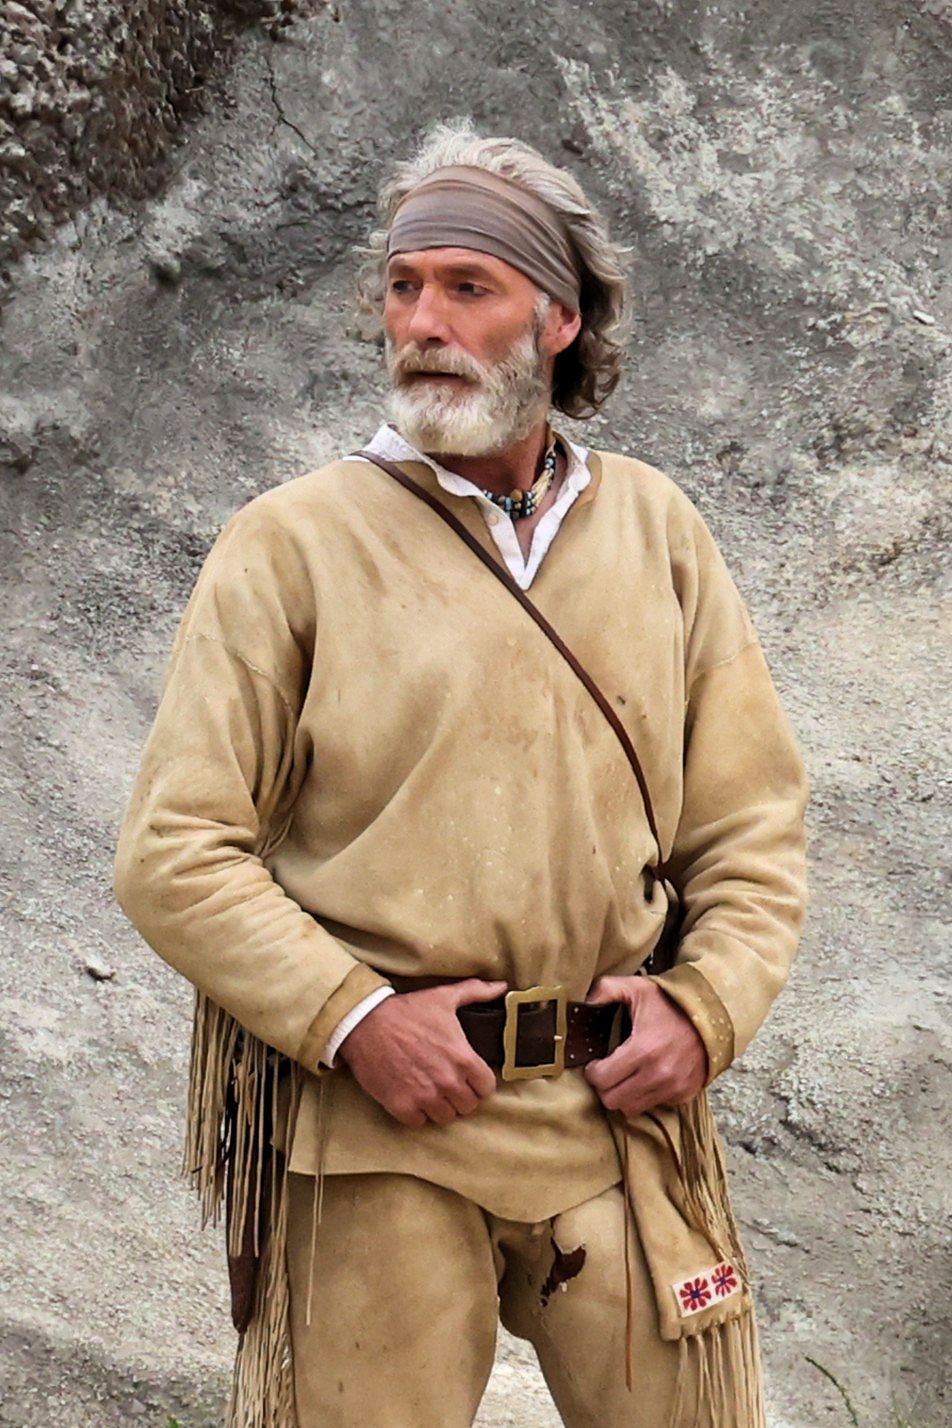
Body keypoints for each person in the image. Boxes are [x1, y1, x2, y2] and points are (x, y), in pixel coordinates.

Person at [114, 120, 809, 1428]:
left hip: (615, 1106)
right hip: (380, 1121)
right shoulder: (290, 546)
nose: (421, 322)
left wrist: (705, 1007)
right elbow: (175, 852)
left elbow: (751, 827)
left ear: (558, 319)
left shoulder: (658, 530)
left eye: (466, 287)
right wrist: (355, 1021)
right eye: (402, 286)